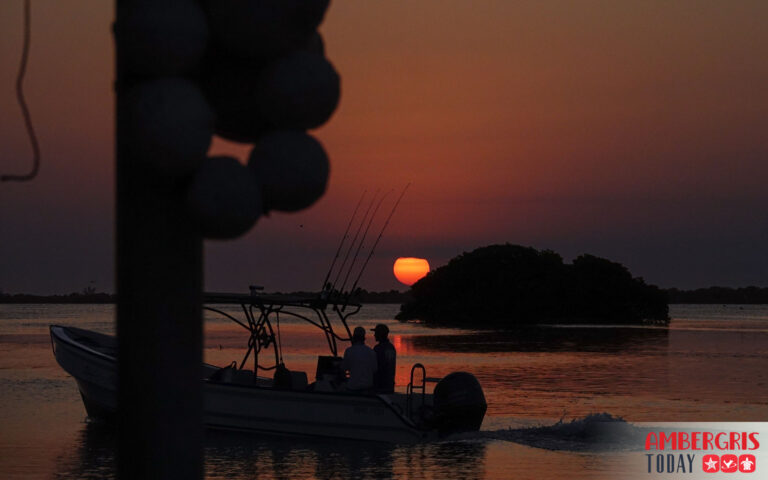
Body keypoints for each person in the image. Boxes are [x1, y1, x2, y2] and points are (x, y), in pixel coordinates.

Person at [341, 326, 377, 392]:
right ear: (364, 338)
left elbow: (344, 368)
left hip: (353, 387)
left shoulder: (349, 351)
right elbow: (374, 369)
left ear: (354, 337)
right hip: (368, 387)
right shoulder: (371, 351)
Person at [371, 324, 396, 393]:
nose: (374, 335)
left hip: (380, 385)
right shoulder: (391, 347)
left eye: (376, 333)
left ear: (380, 334)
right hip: (390, 384)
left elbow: (375, 367)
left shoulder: (378, 348)